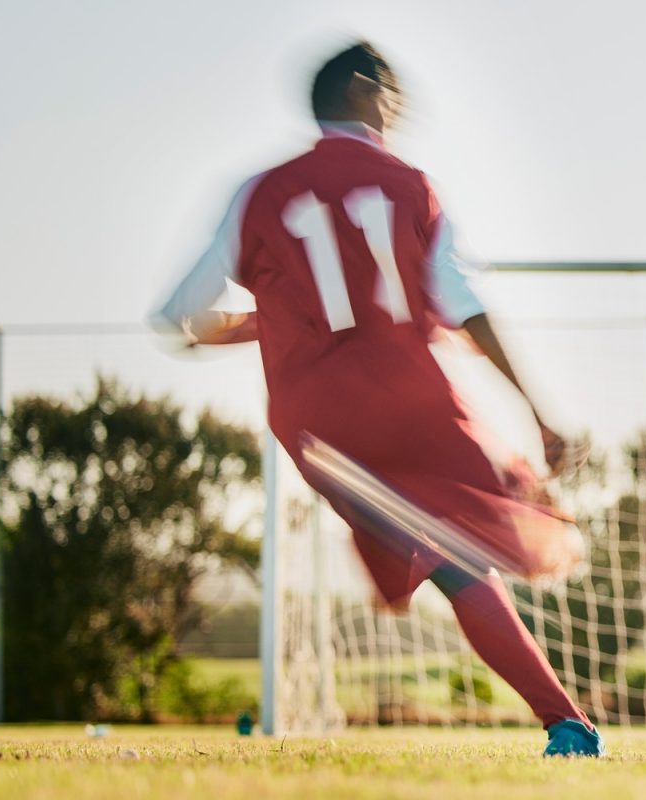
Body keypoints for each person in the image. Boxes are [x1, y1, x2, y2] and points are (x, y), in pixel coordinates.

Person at [151, 41, 602, 757]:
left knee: (448, 558)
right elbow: (465, 307)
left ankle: (567, 723)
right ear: (363, 92)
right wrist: (537, 413)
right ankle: (568, 726)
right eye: (393, 92)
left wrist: (252, 324)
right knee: (461, 560)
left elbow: (174, 315)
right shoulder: (412, 185)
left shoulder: (258, 193)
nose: (400, 107)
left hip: (319, 429)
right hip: (415, 406)